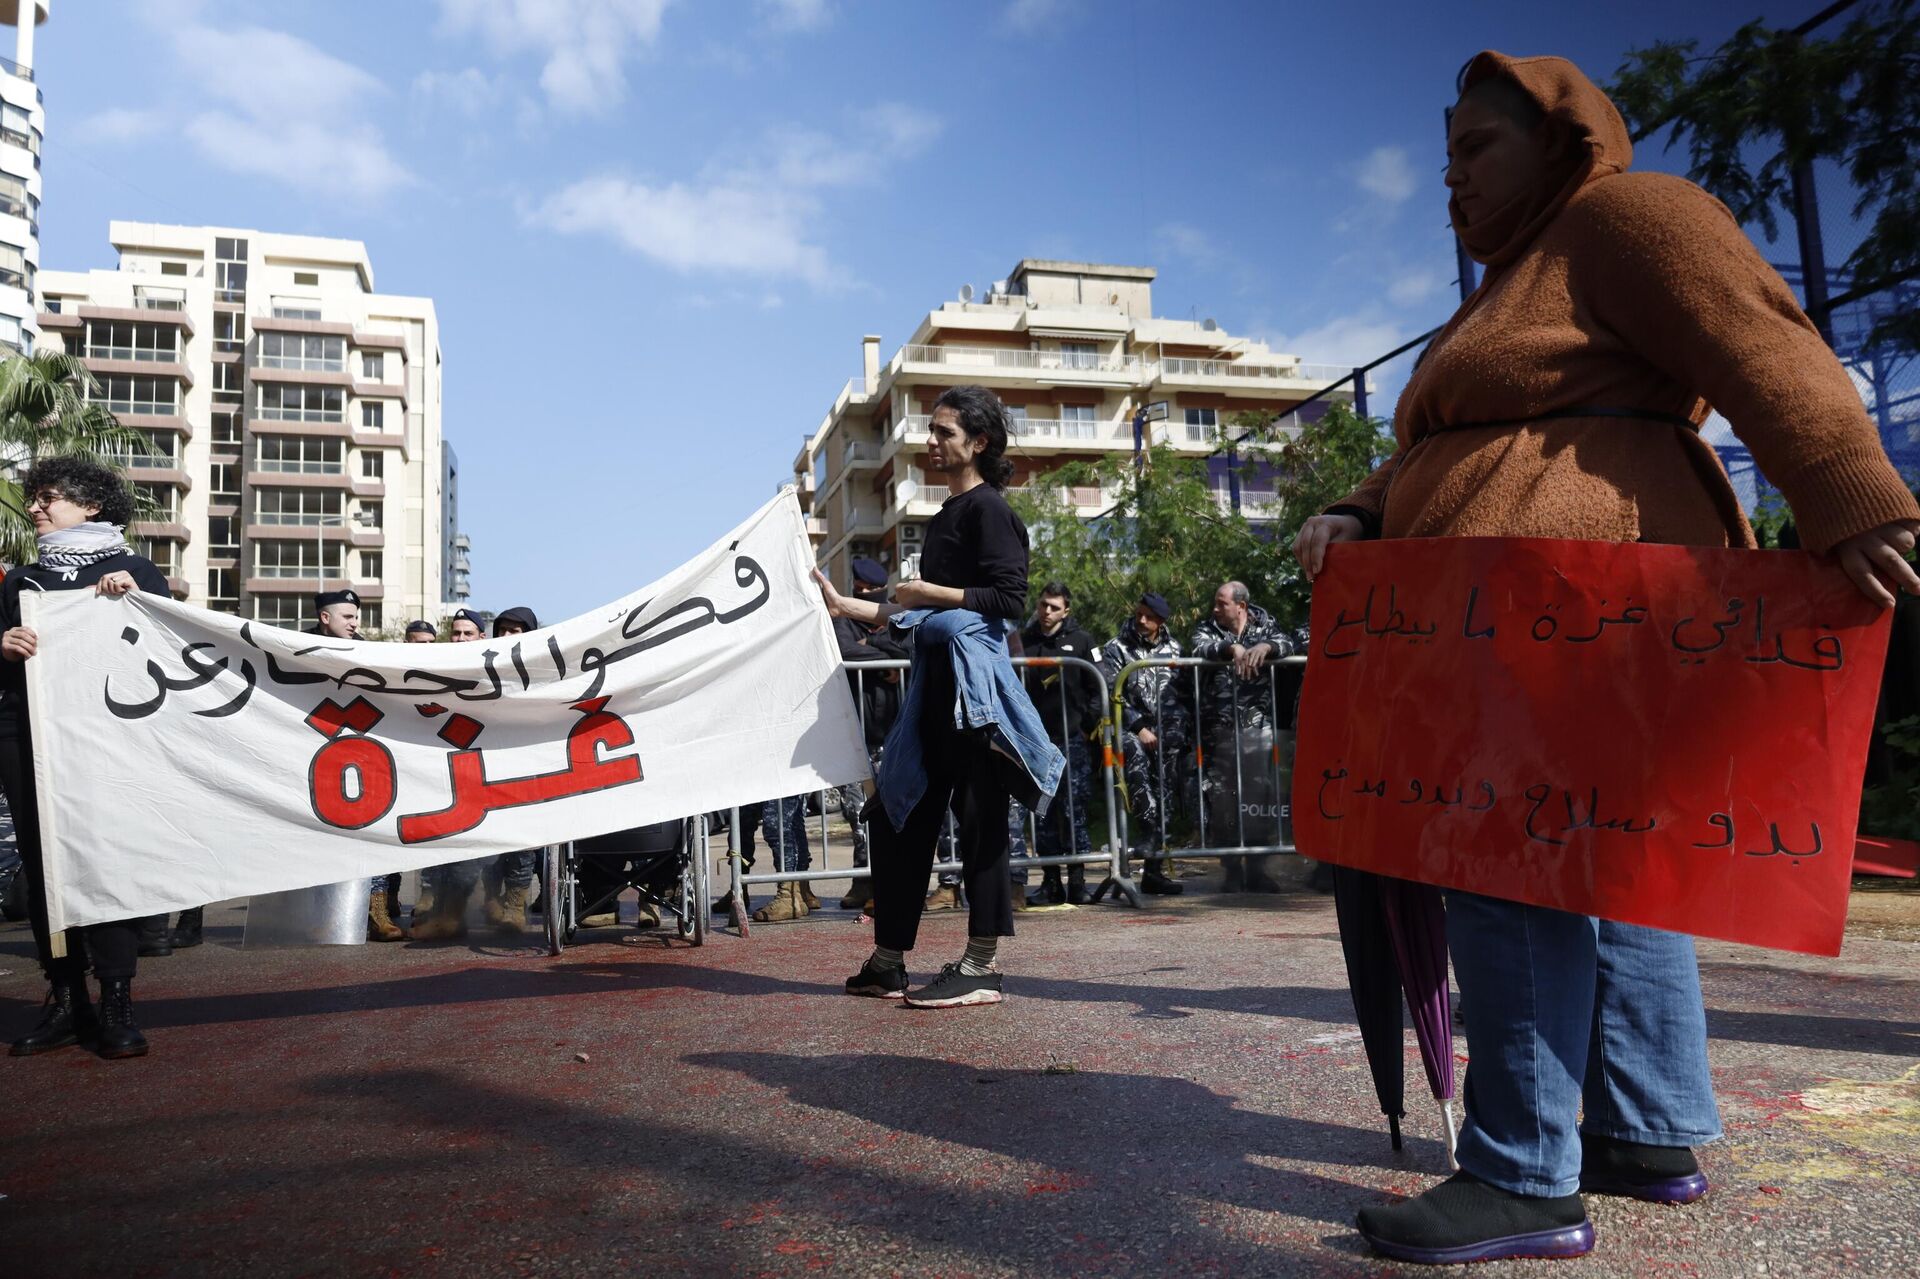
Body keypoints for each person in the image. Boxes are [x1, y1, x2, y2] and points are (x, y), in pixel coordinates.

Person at [1291, 53, 1920, 1266]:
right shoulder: (1505, 293)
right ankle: (1644, 1129)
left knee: (1507, 854)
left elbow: (1759, 339)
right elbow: (1447, 437)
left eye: (1477, 150)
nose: (1451, 182)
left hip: (1584, 599)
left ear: (1565, 139)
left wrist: (1853, 495)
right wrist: (1366, 512)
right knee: (1614, 863)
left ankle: (1524, 1174)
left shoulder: (1628, 214)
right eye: (1444, 161)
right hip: (1509, 605)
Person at [815, 384, 1063, 1009]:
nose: (932, 441)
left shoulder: (991, 511)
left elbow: (1007, 602)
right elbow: (919, 614)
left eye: (944, 432)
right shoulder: (949, 514)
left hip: (974, 699)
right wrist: (850, 607)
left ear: (978, 443)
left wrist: (929, 594)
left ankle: (981, 965)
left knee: (981, 826)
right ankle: (889, 959)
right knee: (898, 815)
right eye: (933, 430)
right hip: (934, 692)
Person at [3, 458, 171, 1058]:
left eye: (49, 497)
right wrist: (4, 646)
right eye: (33, 498)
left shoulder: (135, 571)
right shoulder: (20, 581)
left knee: (103, 865)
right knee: (47, 873)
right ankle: (67, 999)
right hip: (25, 738)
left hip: (105, 740)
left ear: (92, 505)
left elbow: (168, 653)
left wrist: (135, 605)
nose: (36, 508)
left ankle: (117, 999)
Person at [1186, 581, 1291, 893]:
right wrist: (1231, 648)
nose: (1215, 609)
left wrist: (1266, 647)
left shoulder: (1266, 625)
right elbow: (1196, 647)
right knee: (1224, 802)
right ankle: (1231, 869)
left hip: (1257, 731)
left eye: (1222, 603)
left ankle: (1257, 869)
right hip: (1220, 730)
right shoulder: (1209, 628)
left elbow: (1289, 643)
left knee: (1259, 799)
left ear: (1241, 606)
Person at [1017, 582, 1104, 906]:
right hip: (1036, 743)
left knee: (1074, 811)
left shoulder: (1082, 641)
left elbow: (1098, 686)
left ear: (1066, 610)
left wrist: (1085, 726)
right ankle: (1051, 882)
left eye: (1054, 607)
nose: (1047, 612)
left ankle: (1077, 881)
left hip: (1071, 742)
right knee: (1043, 812)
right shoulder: (1024, 641)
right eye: (1043, 605)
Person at [1099, 592, 1190, 895]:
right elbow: (1114, 690)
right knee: (1136, 768)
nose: (1141, 620)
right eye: (1139, 614)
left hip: (1167, 731)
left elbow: (1182, 693)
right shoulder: (1116, 648)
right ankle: (1149, 831)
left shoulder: (1175, 648)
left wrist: (1176, 730)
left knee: (1166, 787)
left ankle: (1153, 871)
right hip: (1131, 730)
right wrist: (1139, 727)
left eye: (1149, 616)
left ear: (1161, 621)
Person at [831, 557, 908, 912]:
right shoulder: (842, 618)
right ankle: (864, 881)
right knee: (857, 813)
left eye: (870, 592)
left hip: (894, 731)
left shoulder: (896, 617)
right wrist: (881, 663)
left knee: (894, 812)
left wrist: (874, 650)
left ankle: (891, 885)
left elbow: (904, 651)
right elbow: (845, 651)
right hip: (856, 730)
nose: (863, 595)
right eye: (858, 591)